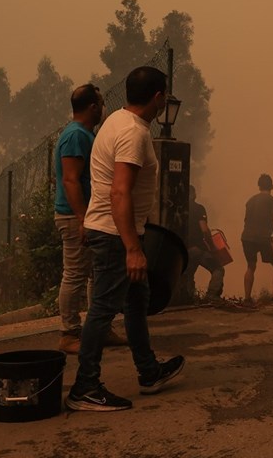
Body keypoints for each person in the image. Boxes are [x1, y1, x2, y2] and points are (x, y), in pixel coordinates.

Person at [66, 66, 184, 412]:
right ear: (159, 97)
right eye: (165, 97)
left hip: (114, 230)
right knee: (102, 309)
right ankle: (84, 387)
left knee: (135, 302)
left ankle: (149, 372)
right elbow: (120, 192)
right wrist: (133, 248)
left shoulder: (115, 120)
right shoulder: (133, 133)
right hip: (116, 234)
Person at [54, 84, 126, 354]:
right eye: (101, 102)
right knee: (74, 274)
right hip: (75, 217)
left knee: (96, 274)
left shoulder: (84, 135)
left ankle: (100, 328)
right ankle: (69, 333)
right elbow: (71, 179)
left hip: (87, 216)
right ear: (93, 107)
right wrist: (83, 218)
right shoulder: (75, 136)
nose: (104, 108)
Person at [240, 173, 273, 305]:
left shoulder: (250, 200)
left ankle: (247, 299)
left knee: (250, 266)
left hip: (246, 237)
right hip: (263, 238)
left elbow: (250, 219)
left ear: (259, 186)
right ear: (272, 186)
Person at [184, 185, 225, 302]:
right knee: (218, 269)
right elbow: (205, 230)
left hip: (184, 249)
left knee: (189, 273)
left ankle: (189, 297)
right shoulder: (198, 208)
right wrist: (212, 247)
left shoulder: (180, 209)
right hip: (198, 248)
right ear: (193, 194)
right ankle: (212, 295)